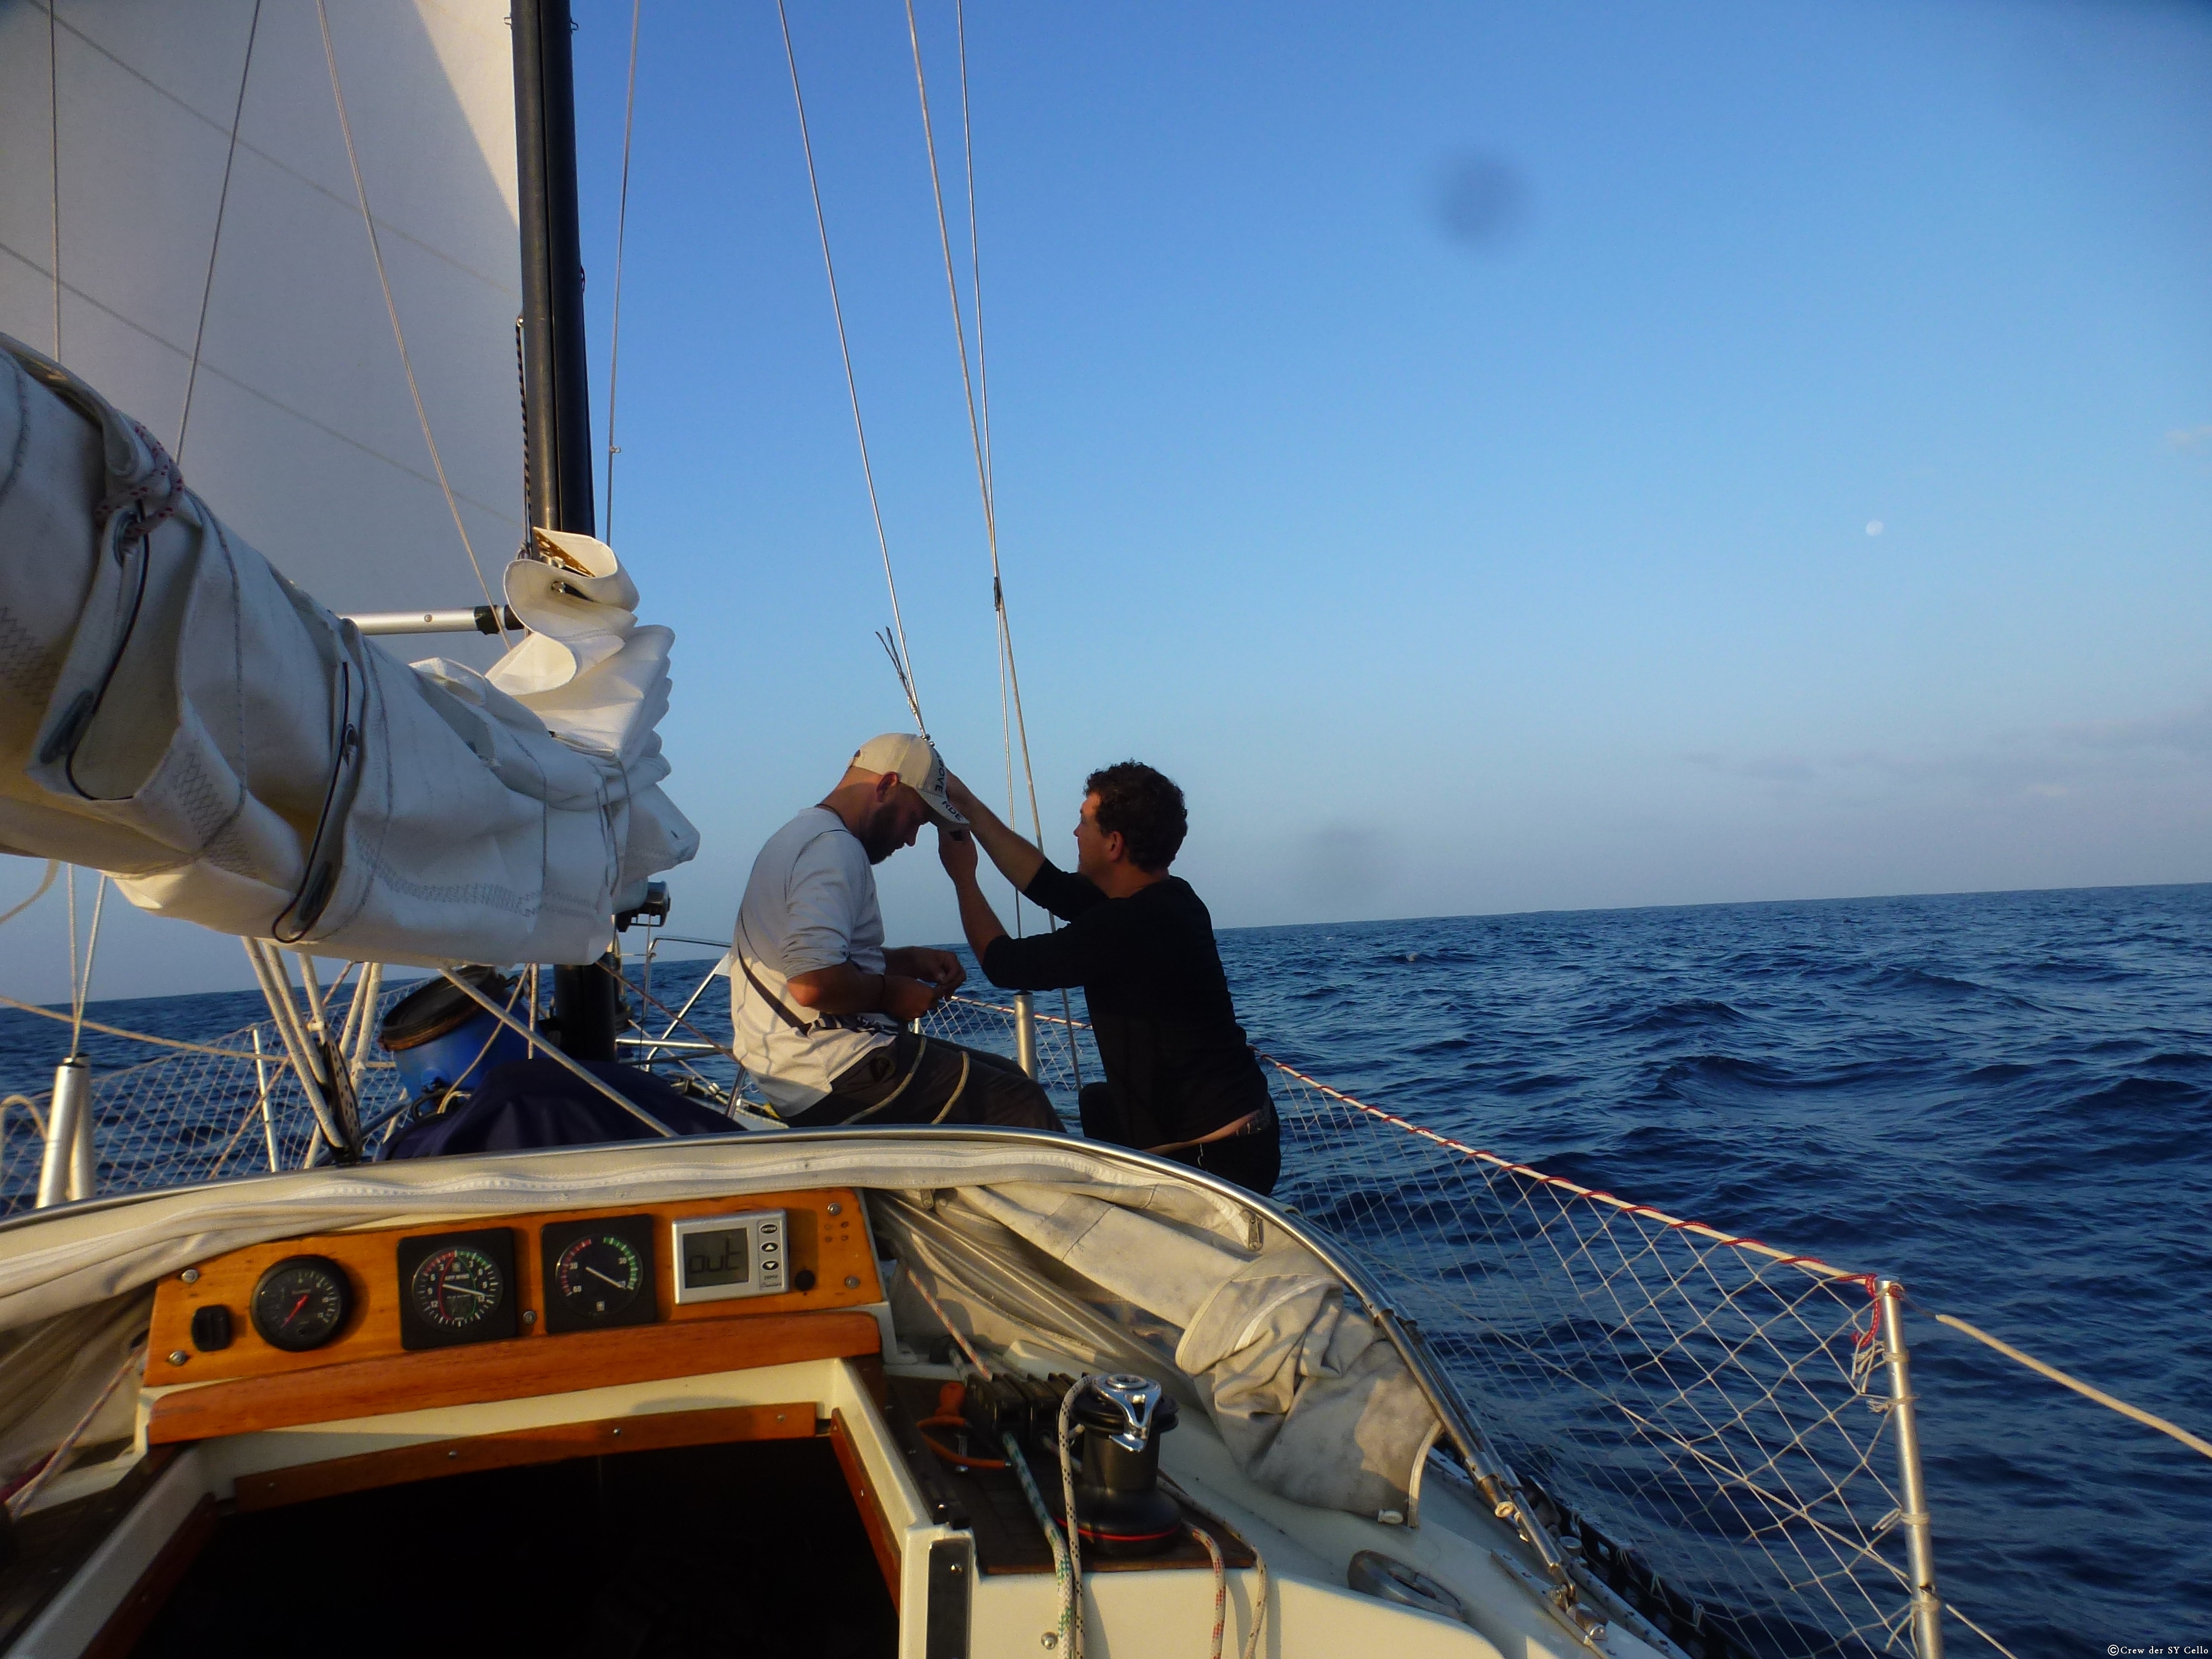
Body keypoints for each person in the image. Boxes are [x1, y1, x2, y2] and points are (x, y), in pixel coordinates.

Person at [936, 761, 1280, 1194]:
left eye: (1084, 823)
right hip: (1244, 1131)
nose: (1077, 834)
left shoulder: (1128, 925)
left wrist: (964, 879)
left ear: (1113, 844)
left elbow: (1005, 964)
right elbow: (1049, 885)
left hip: (1216, 1161)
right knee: (1097, 1104)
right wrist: (966, 804)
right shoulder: (1170, 899)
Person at [729, 733, 1060, 1132]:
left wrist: (908, 961)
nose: (910, 838)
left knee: (1010, 1073)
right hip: (835, 1071)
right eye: (916, 818)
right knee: (1023, 1105)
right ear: (886, 786)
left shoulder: (797, 837)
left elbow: (818, 961)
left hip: (795, 1071)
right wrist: (892, 993)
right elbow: (813, 983)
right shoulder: (833, 849)